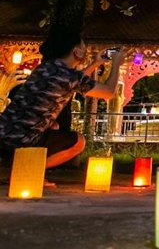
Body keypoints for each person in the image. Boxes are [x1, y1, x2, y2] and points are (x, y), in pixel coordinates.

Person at [0, 30, 124, 169]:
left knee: (54, 126)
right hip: (23, 140)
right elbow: (108, 92)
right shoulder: (69, 75)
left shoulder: (45, 68)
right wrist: (117, 64)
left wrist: (96, 64)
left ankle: (14, 165)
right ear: (77, 52)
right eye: (83, 47)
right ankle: (27, 171)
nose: (85, 50)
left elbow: (73, 80)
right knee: (78, 141)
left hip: (4, 132)